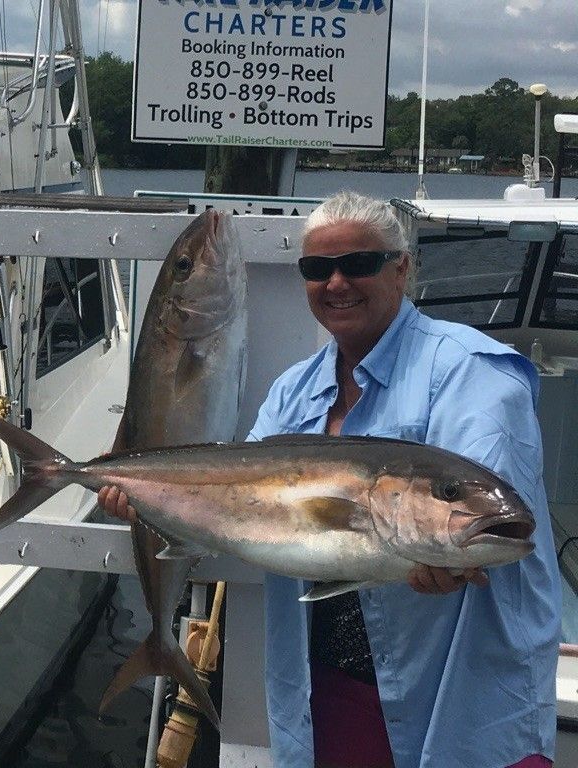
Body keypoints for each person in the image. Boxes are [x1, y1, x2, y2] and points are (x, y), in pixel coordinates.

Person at [100, 190, 559, 768]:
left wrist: (454, 555)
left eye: (358, 264)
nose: (336, 282)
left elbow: (485, 517)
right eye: (317, 269)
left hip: (459, 697)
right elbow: (238, 501)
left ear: (402, 268)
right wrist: (146, 495)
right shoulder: (295, 391)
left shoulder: (476, 376)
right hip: (327, 690)